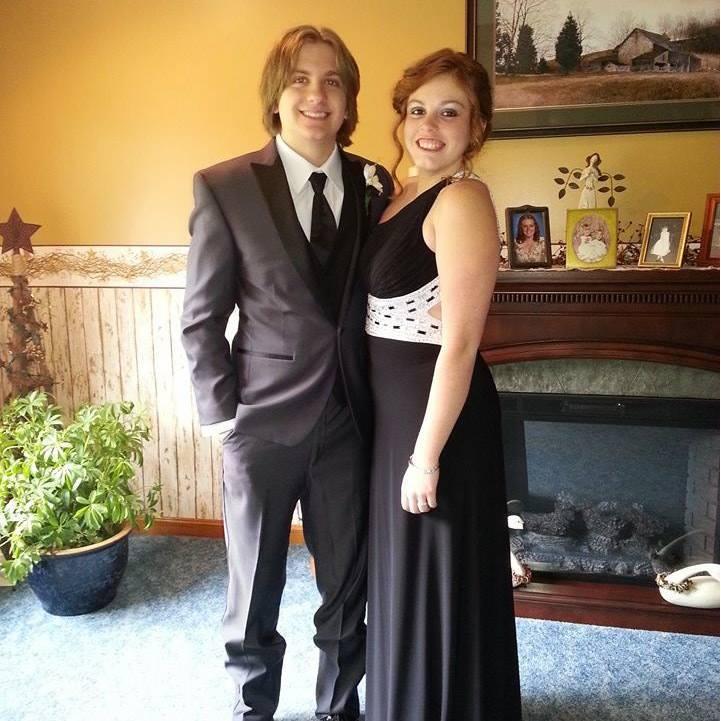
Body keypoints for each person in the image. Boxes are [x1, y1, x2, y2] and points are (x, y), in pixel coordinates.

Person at [180, 25, 392, 721]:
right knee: (254, 587)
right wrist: (222, 416)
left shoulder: (374, 183)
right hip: (261, 423)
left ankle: (339, 706)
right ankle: (252, 708)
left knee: (347, 586)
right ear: (276, 94)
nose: (316, 94)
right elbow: (201, 316)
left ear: (348, 98)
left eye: (332, 80)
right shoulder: (224, 187)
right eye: (300, 79)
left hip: (348, 421)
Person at [362, 49, 523, 720]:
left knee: (437, 574)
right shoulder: (390, 194)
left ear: (476, 127)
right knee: (404, 572)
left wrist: (425, 455)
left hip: (438, 420)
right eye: (417, 110)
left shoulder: (462, 200)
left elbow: (459, 341)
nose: (429, 126)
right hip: (392, 412)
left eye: (449, 112)